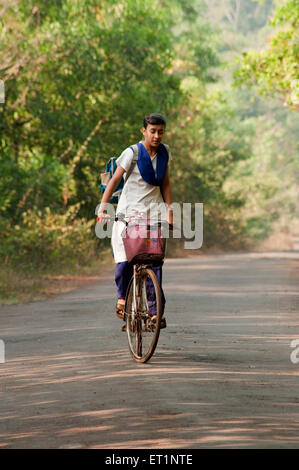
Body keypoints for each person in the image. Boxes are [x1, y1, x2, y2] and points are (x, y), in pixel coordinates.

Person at [97, 113, 173, 329]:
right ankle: (123, 298)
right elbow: (114, 180)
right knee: (123, 264)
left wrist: (170, 210)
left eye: (161, 132)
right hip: (128, 214)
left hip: (153, 215)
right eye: (153, 131)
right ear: (144, 131)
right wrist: (103, 207)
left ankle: (154, 312)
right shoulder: (132, 153)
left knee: (154, 262)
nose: (157, 136)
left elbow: (166, 183)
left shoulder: (165, 154)